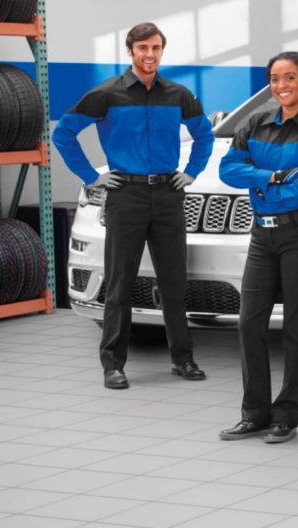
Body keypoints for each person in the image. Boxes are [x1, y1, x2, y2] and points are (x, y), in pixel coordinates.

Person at [52, 22, 214, 390]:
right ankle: (113, 364)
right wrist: (92, 177)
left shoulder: (178, 94)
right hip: (126, 196)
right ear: (130, 51)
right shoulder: (107, 94)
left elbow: (204, 134)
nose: (150, 55)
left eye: (156, 48)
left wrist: (190, 172)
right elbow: (63, 133)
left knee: (174, 281)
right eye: (143, 48)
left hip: (169, 195)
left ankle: (183, 359)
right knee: (120, 283)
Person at [216, 51, 298, 444]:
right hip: (261, 236)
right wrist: (273, 176)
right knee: (249, 323)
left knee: (295, 328)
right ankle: (254, 413)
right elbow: (227, 169)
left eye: (289, 78)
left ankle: (286, 415)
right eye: (274, 78)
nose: (281, 85)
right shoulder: (255, 123)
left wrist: (265, 186)